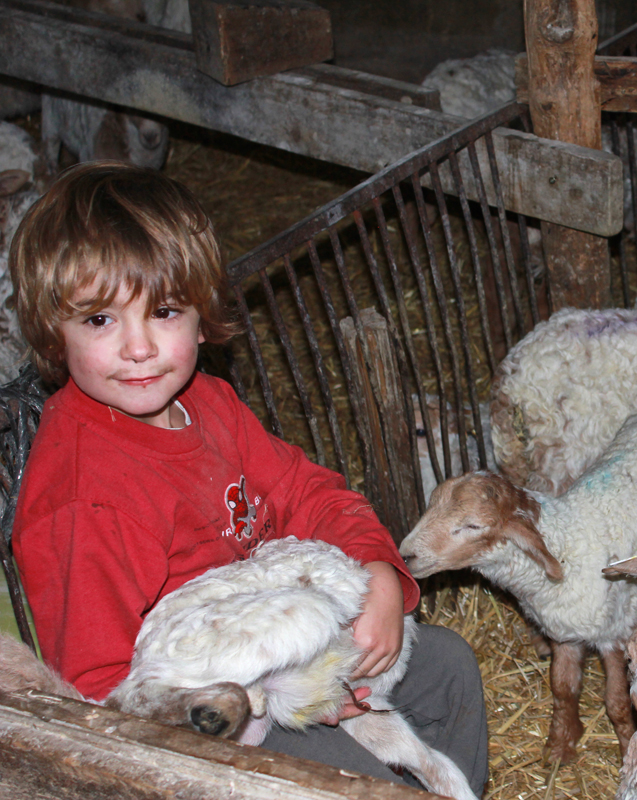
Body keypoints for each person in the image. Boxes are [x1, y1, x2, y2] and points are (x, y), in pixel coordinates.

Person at [7, 161, 488, 793]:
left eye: (164, 310)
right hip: (224, 716)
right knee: (364, 784)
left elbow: (307, 491)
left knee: (450, 666)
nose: (139, 347)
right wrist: (286, 696)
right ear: (52, 329)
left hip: (293, 637)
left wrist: (378, 572)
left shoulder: (208, 403)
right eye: (100, 320)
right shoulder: (86, 499)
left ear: (202, 319)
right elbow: (106, 696)